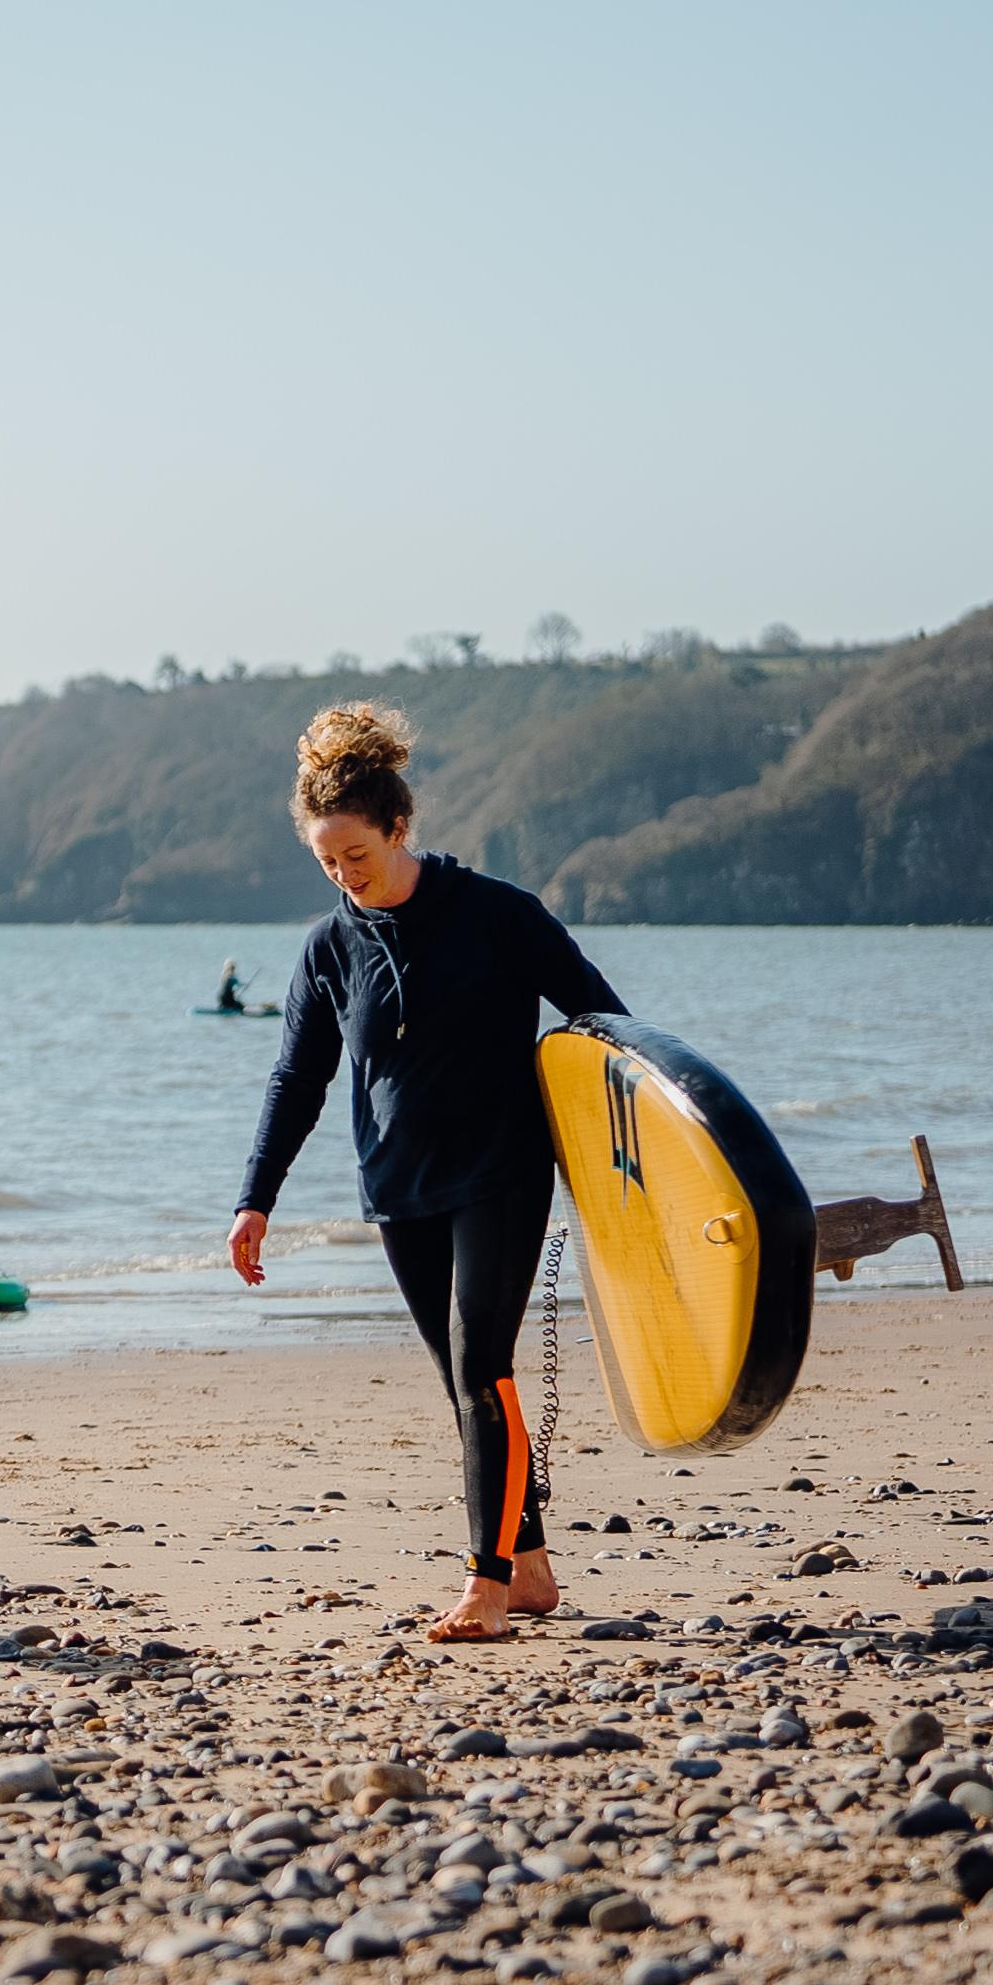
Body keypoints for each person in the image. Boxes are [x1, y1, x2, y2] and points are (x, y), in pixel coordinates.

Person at [229, 702, 627, 1643]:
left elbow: (603, 1027)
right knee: (462, 1378)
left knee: (482, 1369)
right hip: (398, 1187)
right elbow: (298, 1076)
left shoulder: (498, 916)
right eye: (326, 863)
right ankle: (528, 1569)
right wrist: (255, 1198)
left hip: (500, 1170)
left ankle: (484, 1589)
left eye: (355, 856)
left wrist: (638, 1164)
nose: (343, 876)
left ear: (399, 828)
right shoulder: (328, 948)